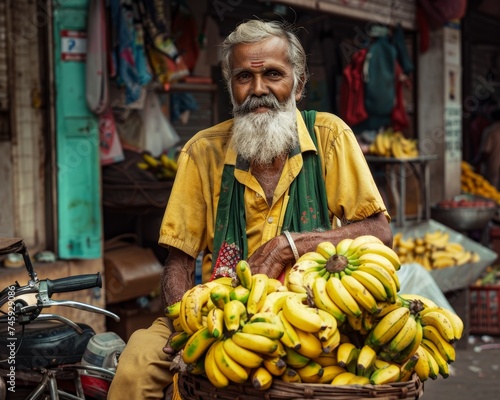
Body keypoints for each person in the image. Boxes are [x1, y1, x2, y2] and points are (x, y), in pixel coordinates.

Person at [107, 19, 392, 399]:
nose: (259, 90)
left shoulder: (330, 137)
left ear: (299, 83)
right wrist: (189, 325)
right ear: (231, 87)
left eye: (273, 74)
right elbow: (178, 263)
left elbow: (378, 230)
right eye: (244, 77)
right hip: (218, 311)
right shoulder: (202, 152)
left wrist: (290, 245)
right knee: (135, 367)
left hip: (311, 314)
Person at [473, 107, 500, 190]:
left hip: (493, 168)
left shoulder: (490, 131)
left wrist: (473, 164)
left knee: (493, 195)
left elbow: (485, 153)